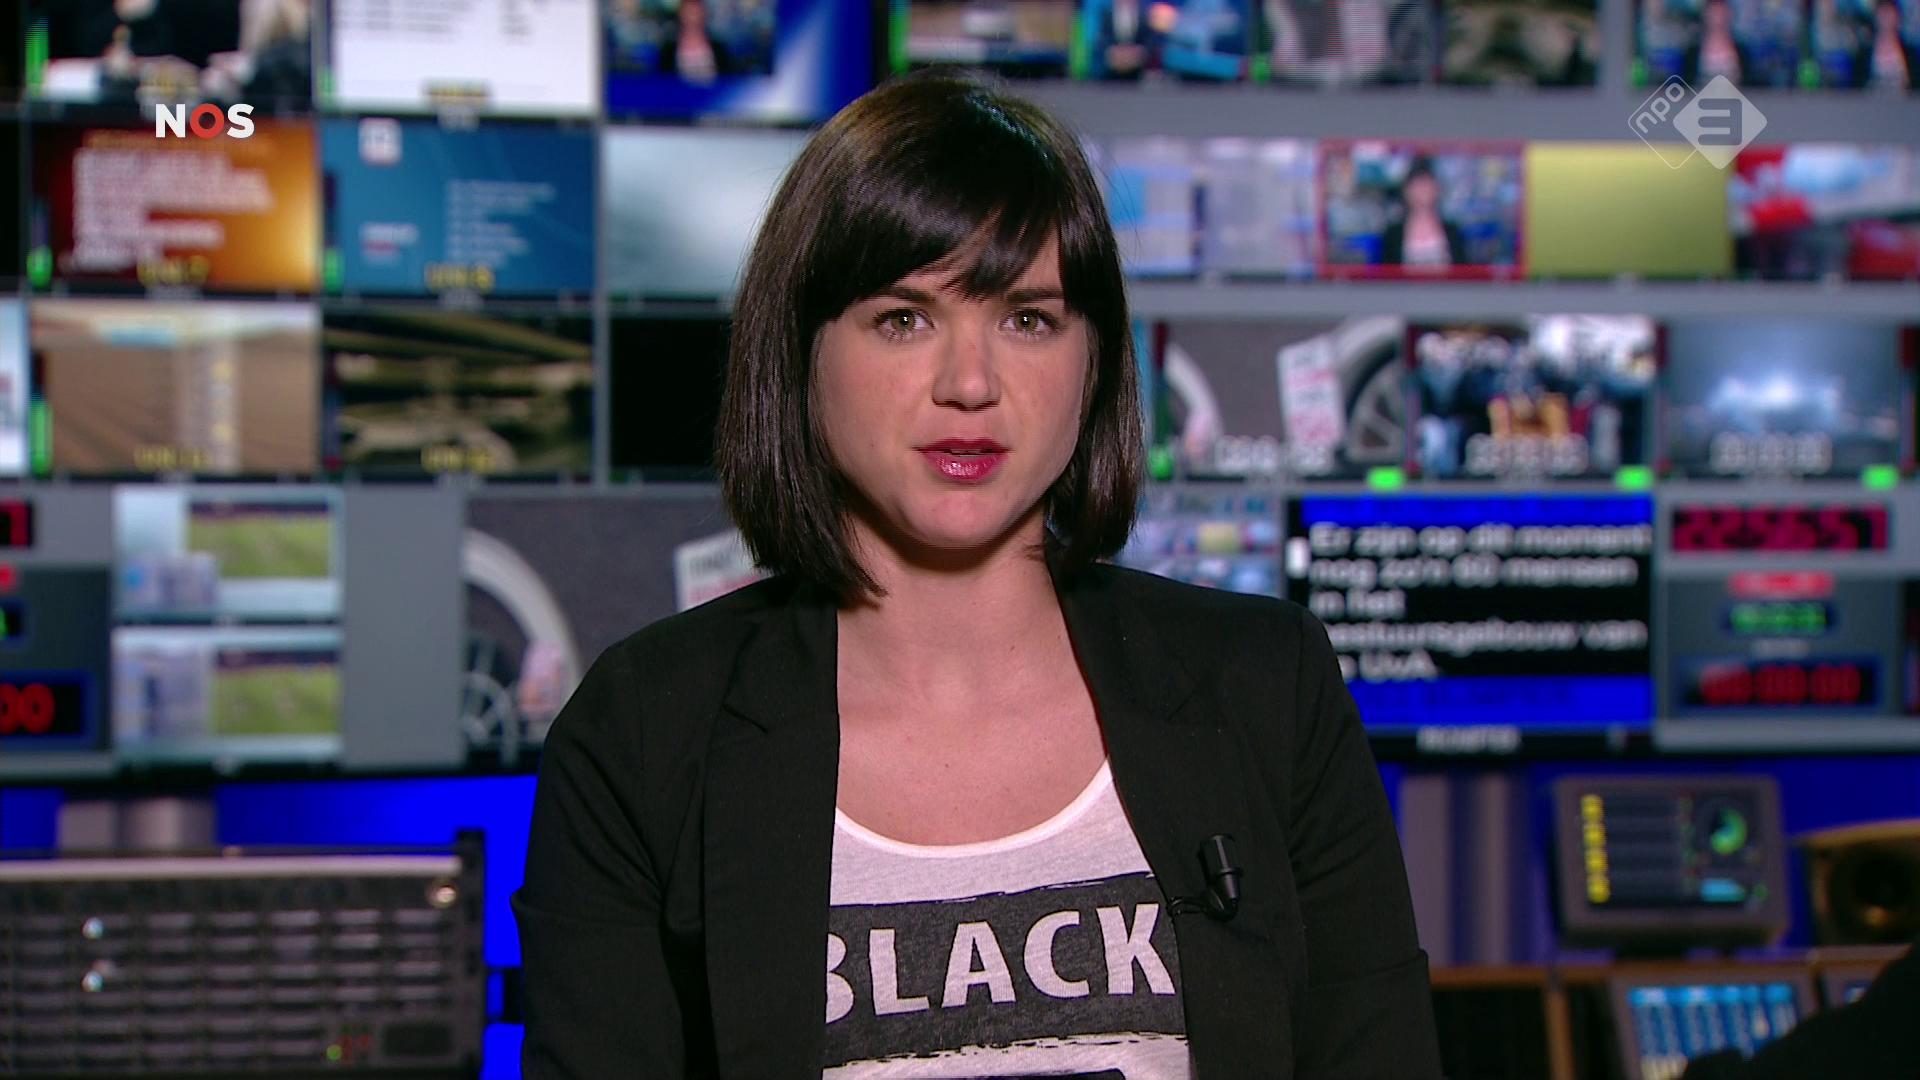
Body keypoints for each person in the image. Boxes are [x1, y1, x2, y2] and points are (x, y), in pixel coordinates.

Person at [514, 70, 1440, 1078]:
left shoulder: (1268, 689)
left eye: (1027, 318)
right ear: (803, 352)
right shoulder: (643, 733)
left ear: (1094, 360)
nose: (970, 383)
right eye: (904, 318)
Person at [1381, 156, 1466, 269]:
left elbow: (1464, 269)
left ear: (1436, 189)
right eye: (1417, 185)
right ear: (1406, 191)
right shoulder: (1393, 234)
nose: (1422, 190)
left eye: (1426, 185)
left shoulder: (1452, 231)